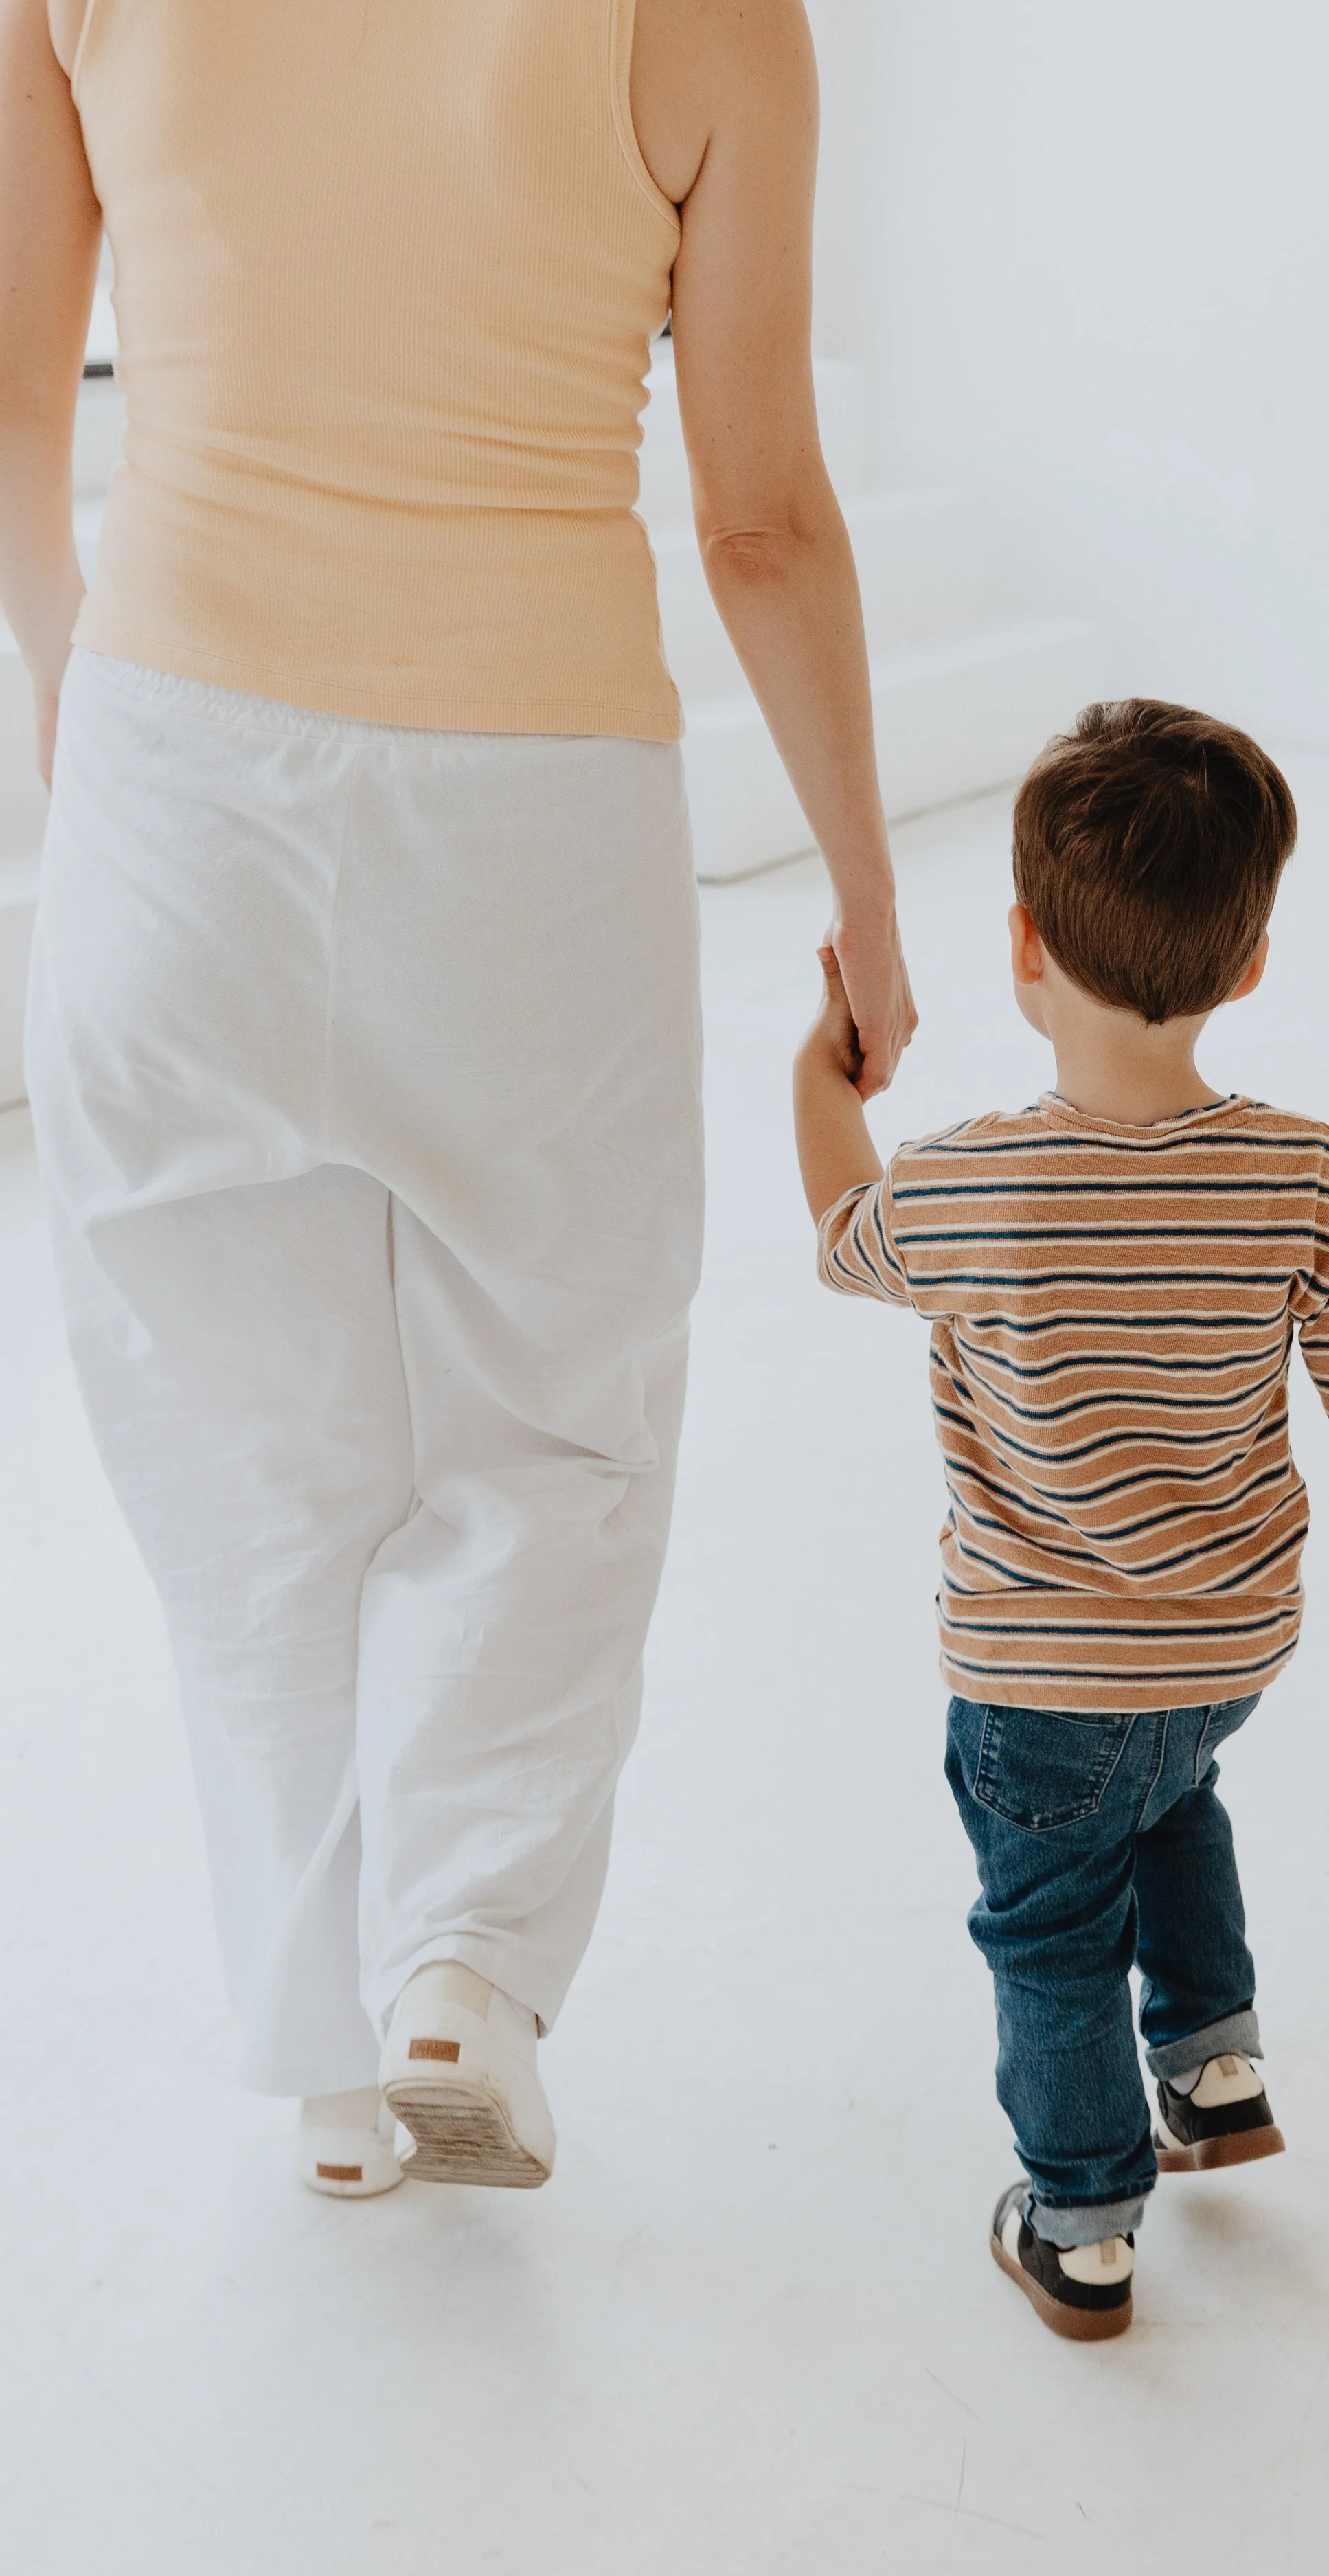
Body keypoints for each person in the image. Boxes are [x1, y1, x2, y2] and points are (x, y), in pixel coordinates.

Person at [0, 0, 914, 2197]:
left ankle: (330, 2050)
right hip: (534, 812)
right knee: (555, 1412)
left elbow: (20, 406)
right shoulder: (720, 24)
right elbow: (760, 517)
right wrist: (869, 903)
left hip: (173, 765)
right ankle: (459, 1972)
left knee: (248, 1445)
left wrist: (82, 749)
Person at [793, 699, 1329, 2339]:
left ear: (1022, 946)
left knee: (1045, 1921)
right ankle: (1214, 2061)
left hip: (1035, 1674)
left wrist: (818, 1076)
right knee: (1171, 1798)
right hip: (1228, 1641)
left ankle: (1081, 2209)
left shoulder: (963, 1185)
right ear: (1244, 966)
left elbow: (837, 1231)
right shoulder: (1300, 1169)